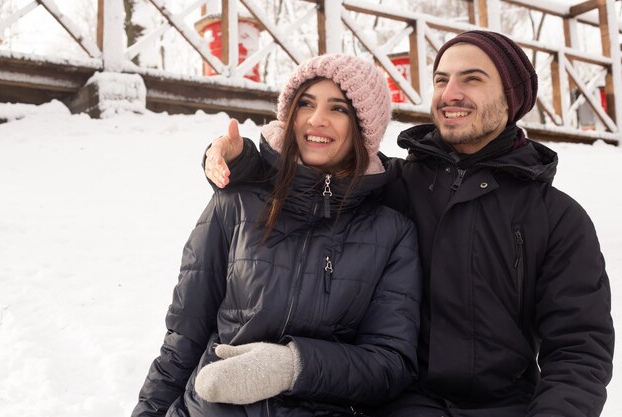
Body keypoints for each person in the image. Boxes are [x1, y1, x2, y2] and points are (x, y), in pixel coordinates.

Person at [204, 31, 615, 417]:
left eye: (471, 79)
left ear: (512, 99)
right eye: (441, 80)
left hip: (505, 407)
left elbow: (579, 349)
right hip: (399, 402)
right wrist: (238, 161)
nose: (450, 94)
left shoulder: (558, 218)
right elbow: (311, 179)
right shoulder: (393, 183)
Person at [132, 54, 424, 417]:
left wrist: (291, 366)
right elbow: (183, 336)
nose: (317, 120)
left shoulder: (392, 232)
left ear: (364, 127)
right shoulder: (234, 203)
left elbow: (389, 365)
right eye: (306, 103)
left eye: (338, 109)